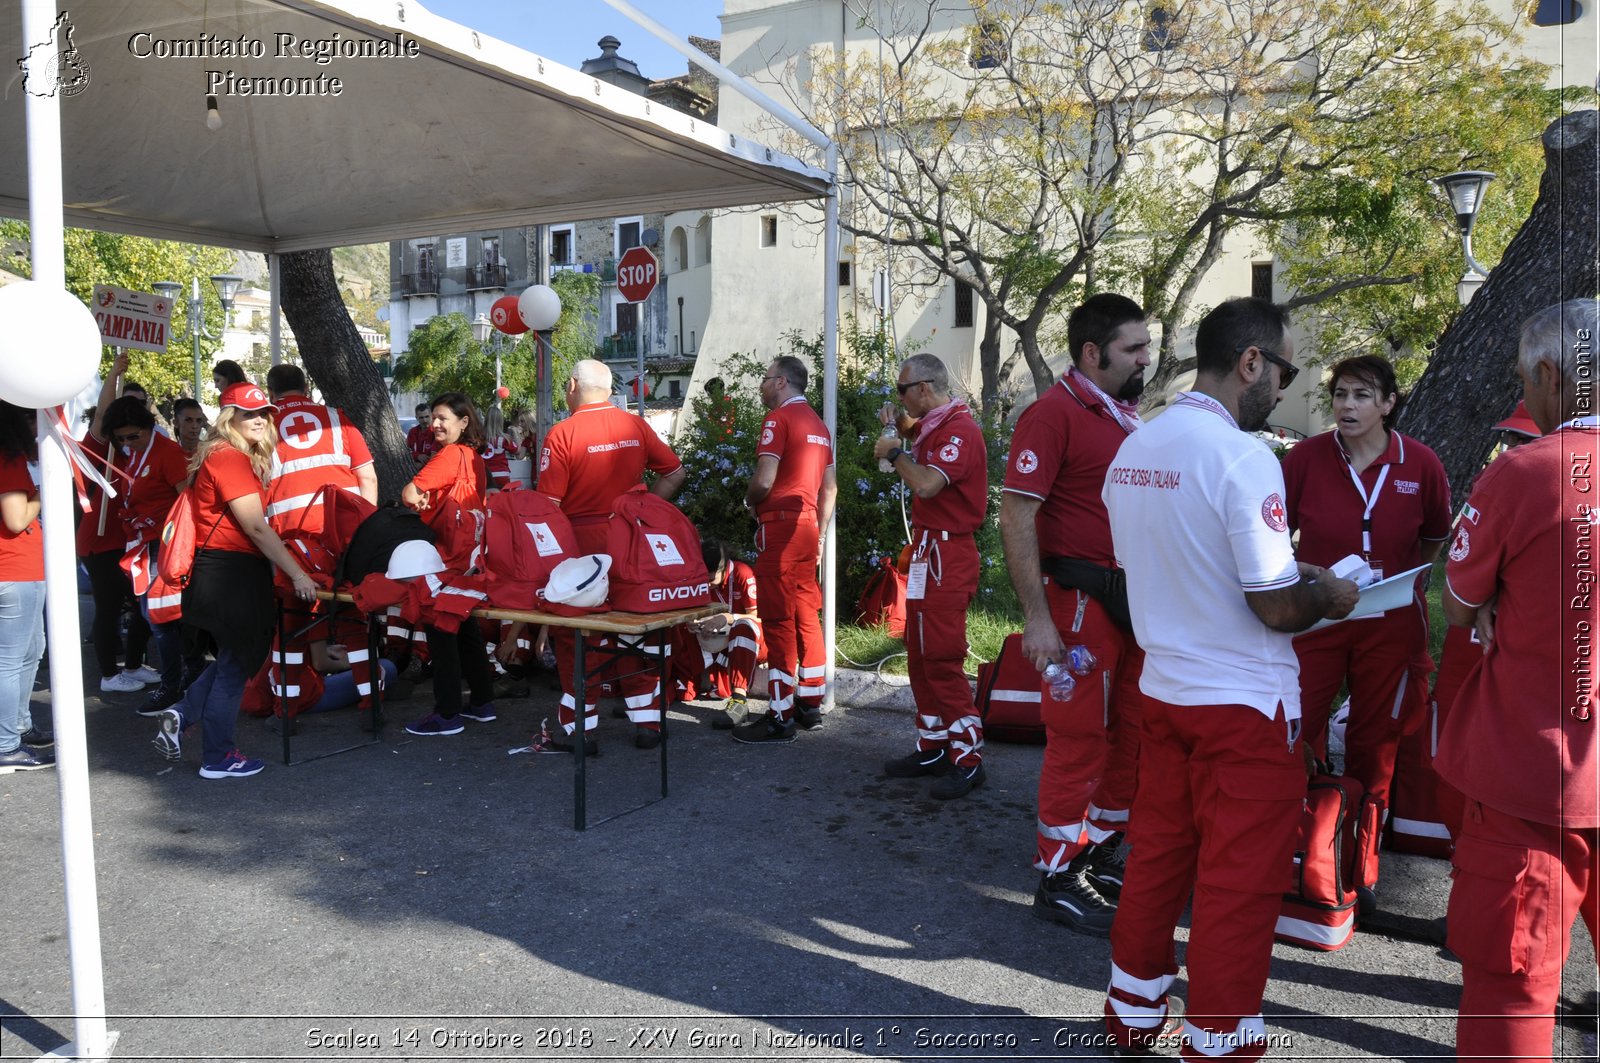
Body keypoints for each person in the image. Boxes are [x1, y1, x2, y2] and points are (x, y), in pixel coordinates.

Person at [1100, 297, 1358, 1058]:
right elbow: (1277, 607)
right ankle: (1218, 1039)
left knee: (1156, 861)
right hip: (1243, 704)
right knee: (1236, 886)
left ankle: (1134, 1012)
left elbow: (1166, 563)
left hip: (1166, 688)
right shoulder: (1246, 458)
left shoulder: (1137, 447)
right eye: (1284, 371)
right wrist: (1331, 593)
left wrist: (1288, 575)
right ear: (1252, 361)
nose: (1283, 389)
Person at [1437, 298, 1599, 1061]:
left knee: (1513, 984)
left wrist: (1498, 595)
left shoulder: (1523, 475)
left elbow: (1461, 602)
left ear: (1547, 373)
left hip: (1532, 779)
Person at [998, 292, 1152, 933]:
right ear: (1093, 353)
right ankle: (1058, 874)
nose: (1147, 357)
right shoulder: (1052, 415)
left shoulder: (1123, 414)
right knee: (1079, 740)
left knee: (1133, 735)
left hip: (1130, 603)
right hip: (1079, 603)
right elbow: (1016, 515)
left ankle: (1105, 856)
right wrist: (1038, 618)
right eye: (1133, 349)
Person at [1280, 354, 1451, 904]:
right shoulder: (1305, 458)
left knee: (1375, 743)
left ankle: (1359, 864)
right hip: (1318, 616)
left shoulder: (1420, 464)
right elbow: (1274, 536)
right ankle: (1292, 848)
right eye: (1340, 395)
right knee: (1294, 727)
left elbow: (1431, 541)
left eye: (1361, 396)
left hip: (1391, 621)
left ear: (1387, 404)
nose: (1347, 406)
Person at [152, 383, 319, 779]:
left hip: (221, 573)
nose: (260, 418)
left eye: (264, 411)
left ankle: (183, 712)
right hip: (230, 575)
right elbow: (256, 529)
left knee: (232, 658)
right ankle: (218, 756)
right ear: (230, 418)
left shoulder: (222, 456)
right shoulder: (229, 458)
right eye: (249, 413)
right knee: (234, 667)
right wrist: (298, 573)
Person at [537, 359, 687, 750]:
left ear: (572, 385)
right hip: (631, 545)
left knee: (576, 640)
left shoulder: (562, 433)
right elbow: (675, 473)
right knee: (634, 632)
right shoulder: (634, 425)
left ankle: (579, 731)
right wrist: (641, 513)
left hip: (581, 550)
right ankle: (648, 724)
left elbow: (547, 509)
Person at [874, 353, 989, 799]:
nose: (899, 398)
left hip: (948, 552)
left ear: (924, 388)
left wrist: (897, 453)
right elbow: (918, 434)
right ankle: (935, 745)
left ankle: (968, 756)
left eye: (903, 390)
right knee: (919, 652)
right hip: (928, 550)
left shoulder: (959, 430)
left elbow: (926, 484)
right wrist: (902, 428)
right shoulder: (938, 423)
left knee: (940, 655)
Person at [263, 363, 380, 725]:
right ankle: (370, 706)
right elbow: (368, 479)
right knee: (353, 622)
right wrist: (363, 538)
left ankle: (286, 712)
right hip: (339, 541)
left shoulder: (261, 427)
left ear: (271, 394)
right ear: (306, 387)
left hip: (290, 546)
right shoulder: (337, 419)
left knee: (291, 630)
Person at [734, 356, 837, 745]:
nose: (761, 386)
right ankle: (810, 704)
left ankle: (780, 716)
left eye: (764, 378)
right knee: (806, 612)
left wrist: (748, 501)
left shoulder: (778, 420)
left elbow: (764, 479)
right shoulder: (818, 425)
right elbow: (830, 488)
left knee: (777, 618)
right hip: (809, 527)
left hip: (780, 525)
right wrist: (821, 535)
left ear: (781, 382)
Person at [400, 392, 496, 736]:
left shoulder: (450, 454)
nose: (436, 424)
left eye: (443, 418)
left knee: (440, 631)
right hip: (471, 556)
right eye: (435, 418)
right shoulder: (474, 457)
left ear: (463, 422)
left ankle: (447, 713)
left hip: (446, 558)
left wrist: (422, 500)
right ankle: (482, 702)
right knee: (465, 629)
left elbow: (410, 493)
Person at [100, 391, 190, 712]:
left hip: (164, 546)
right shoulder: (134, 453)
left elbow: (187, 503)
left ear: (148, 426)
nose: (127, 443)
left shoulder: (169, 453)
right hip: (143, 543)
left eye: (133, 436)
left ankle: (173, 686)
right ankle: (183, 678)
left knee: (159, 618)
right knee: (154, 616)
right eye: (121, 439)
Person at [79, 356, 157, 696]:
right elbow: (100, 415)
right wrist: (114, 372)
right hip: (98, 542)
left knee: (143, 606)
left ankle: (134, 665)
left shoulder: (134, 452)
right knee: (110, 608)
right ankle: (109, 675)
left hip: (126, 541)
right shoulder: (98, 447)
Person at [0, 402, 52, 774]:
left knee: (31, 652)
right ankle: (7, 744)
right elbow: (16, 520)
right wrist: (43, 490)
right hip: (16, 570)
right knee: (12, 660)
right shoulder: (8, 460)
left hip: (20, 570)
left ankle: (18, 727)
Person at [680, 539, 763, 729]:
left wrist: (729, 618)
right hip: (717, 640)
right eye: (703, 579)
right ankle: (667, 689)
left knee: (743, 627)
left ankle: (739, 701)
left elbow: (759, 617)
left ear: (723, 568)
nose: (707, 585)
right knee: (678, 627)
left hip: (751, 640)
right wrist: (691, 621)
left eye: (710, 580)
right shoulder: (699, 578)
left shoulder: (742, 573)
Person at [406, 402, 436, 467]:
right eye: (421, 418)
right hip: (413, 467)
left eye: (427, 416)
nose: (425, 420)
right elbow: (406, 452)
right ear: (416, 418)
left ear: (431, 415)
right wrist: (418, 456)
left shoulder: (436, 431)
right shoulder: (412, 432)